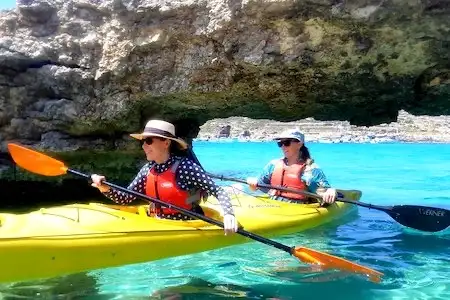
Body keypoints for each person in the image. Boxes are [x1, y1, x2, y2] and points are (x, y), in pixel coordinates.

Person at [90, 119, 238, 235]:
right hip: (157, 224)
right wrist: (105, 188)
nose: (143, 146)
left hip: (186, 226)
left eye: (148, 141)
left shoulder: (186, 167)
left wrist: (228, 214)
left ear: (166, 143)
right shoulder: (148, 170)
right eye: (143, 142)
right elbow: (126, 198)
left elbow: (218, 191)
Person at [246, 128, 337, 204]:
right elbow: (258, 185)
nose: (283, 147)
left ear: (299, 144)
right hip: (274, 205)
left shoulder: (310, 169)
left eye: (286, 143)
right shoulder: (273, 165)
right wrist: (252, 183)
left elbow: (324, 193)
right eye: (280, 143)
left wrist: (331, 192)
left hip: (297, 207)